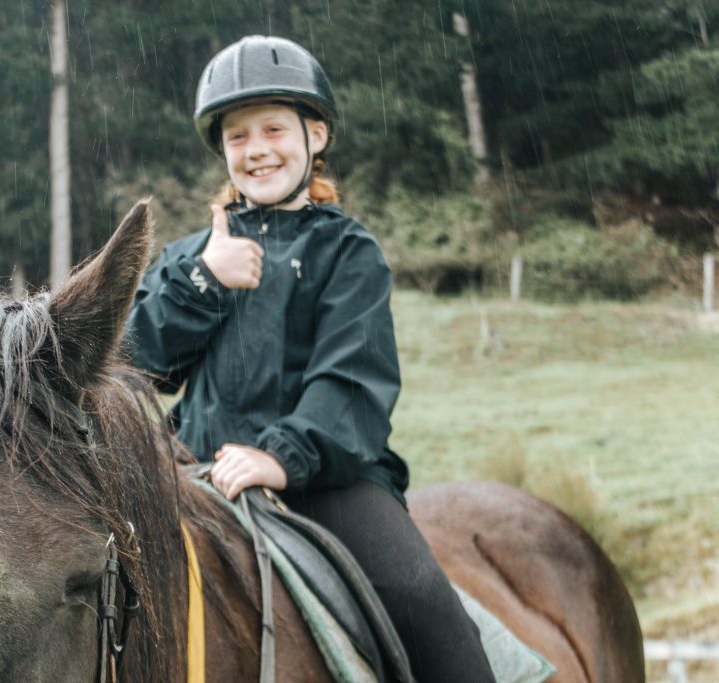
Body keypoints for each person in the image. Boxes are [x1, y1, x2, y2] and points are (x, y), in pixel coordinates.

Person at [125, 35, 495, 681]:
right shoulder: (191, 258)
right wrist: (205, 279)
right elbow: (136, 364)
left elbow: (352, 380)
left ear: (315, 134)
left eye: (273, 129)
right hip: (195, 471)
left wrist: (280, 456)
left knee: (418, 596)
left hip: (328, 477)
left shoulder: (349, 253)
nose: (256, 149)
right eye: (238, 136)